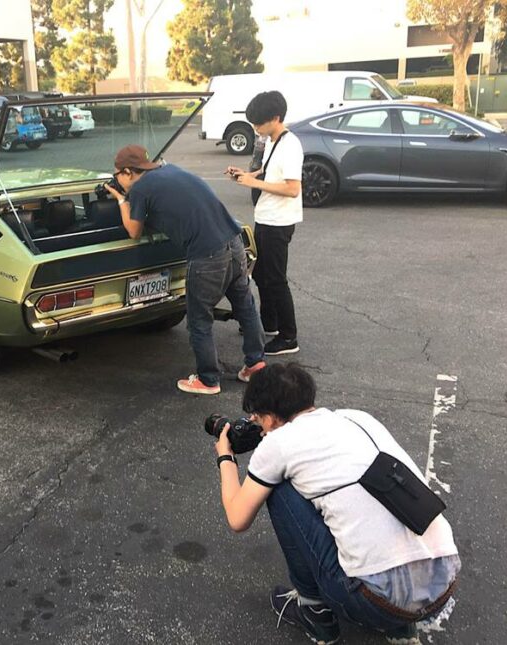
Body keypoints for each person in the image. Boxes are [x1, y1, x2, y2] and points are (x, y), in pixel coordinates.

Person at [213, 363, 460, 644]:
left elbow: (237, 518)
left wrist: (225, 456)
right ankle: (400, 626)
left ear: (268, 419)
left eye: (256, 419)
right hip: (443, 585)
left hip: (377, 602)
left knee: (278, 488)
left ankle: (314, 613)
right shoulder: (357, 418)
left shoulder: (278, 444)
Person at [104, 144, 266, 395]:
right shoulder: (173, 171)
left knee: (199, 320)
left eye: (117, 175)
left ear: (127, 172)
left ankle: (208, 380)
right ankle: (256, 364)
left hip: (207, 256)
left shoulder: (140, 189)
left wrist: (122, 198)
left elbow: (134, 231)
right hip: (234, 243)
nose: (117, 179)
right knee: (245, 307)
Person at [226, 90, 302, 356]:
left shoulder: (290, 145)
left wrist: (254, 182)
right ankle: (268, 323)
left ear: (276, 117)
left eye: (259, 122)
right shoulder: (273, 140)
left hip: (279, 222)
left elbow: (293, 188)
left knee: (276, 278)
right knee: (260, 273)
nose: (255, 128)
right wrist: (246, 174)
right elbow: (269, 172)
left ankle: (289, 337)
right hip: (266, 217)